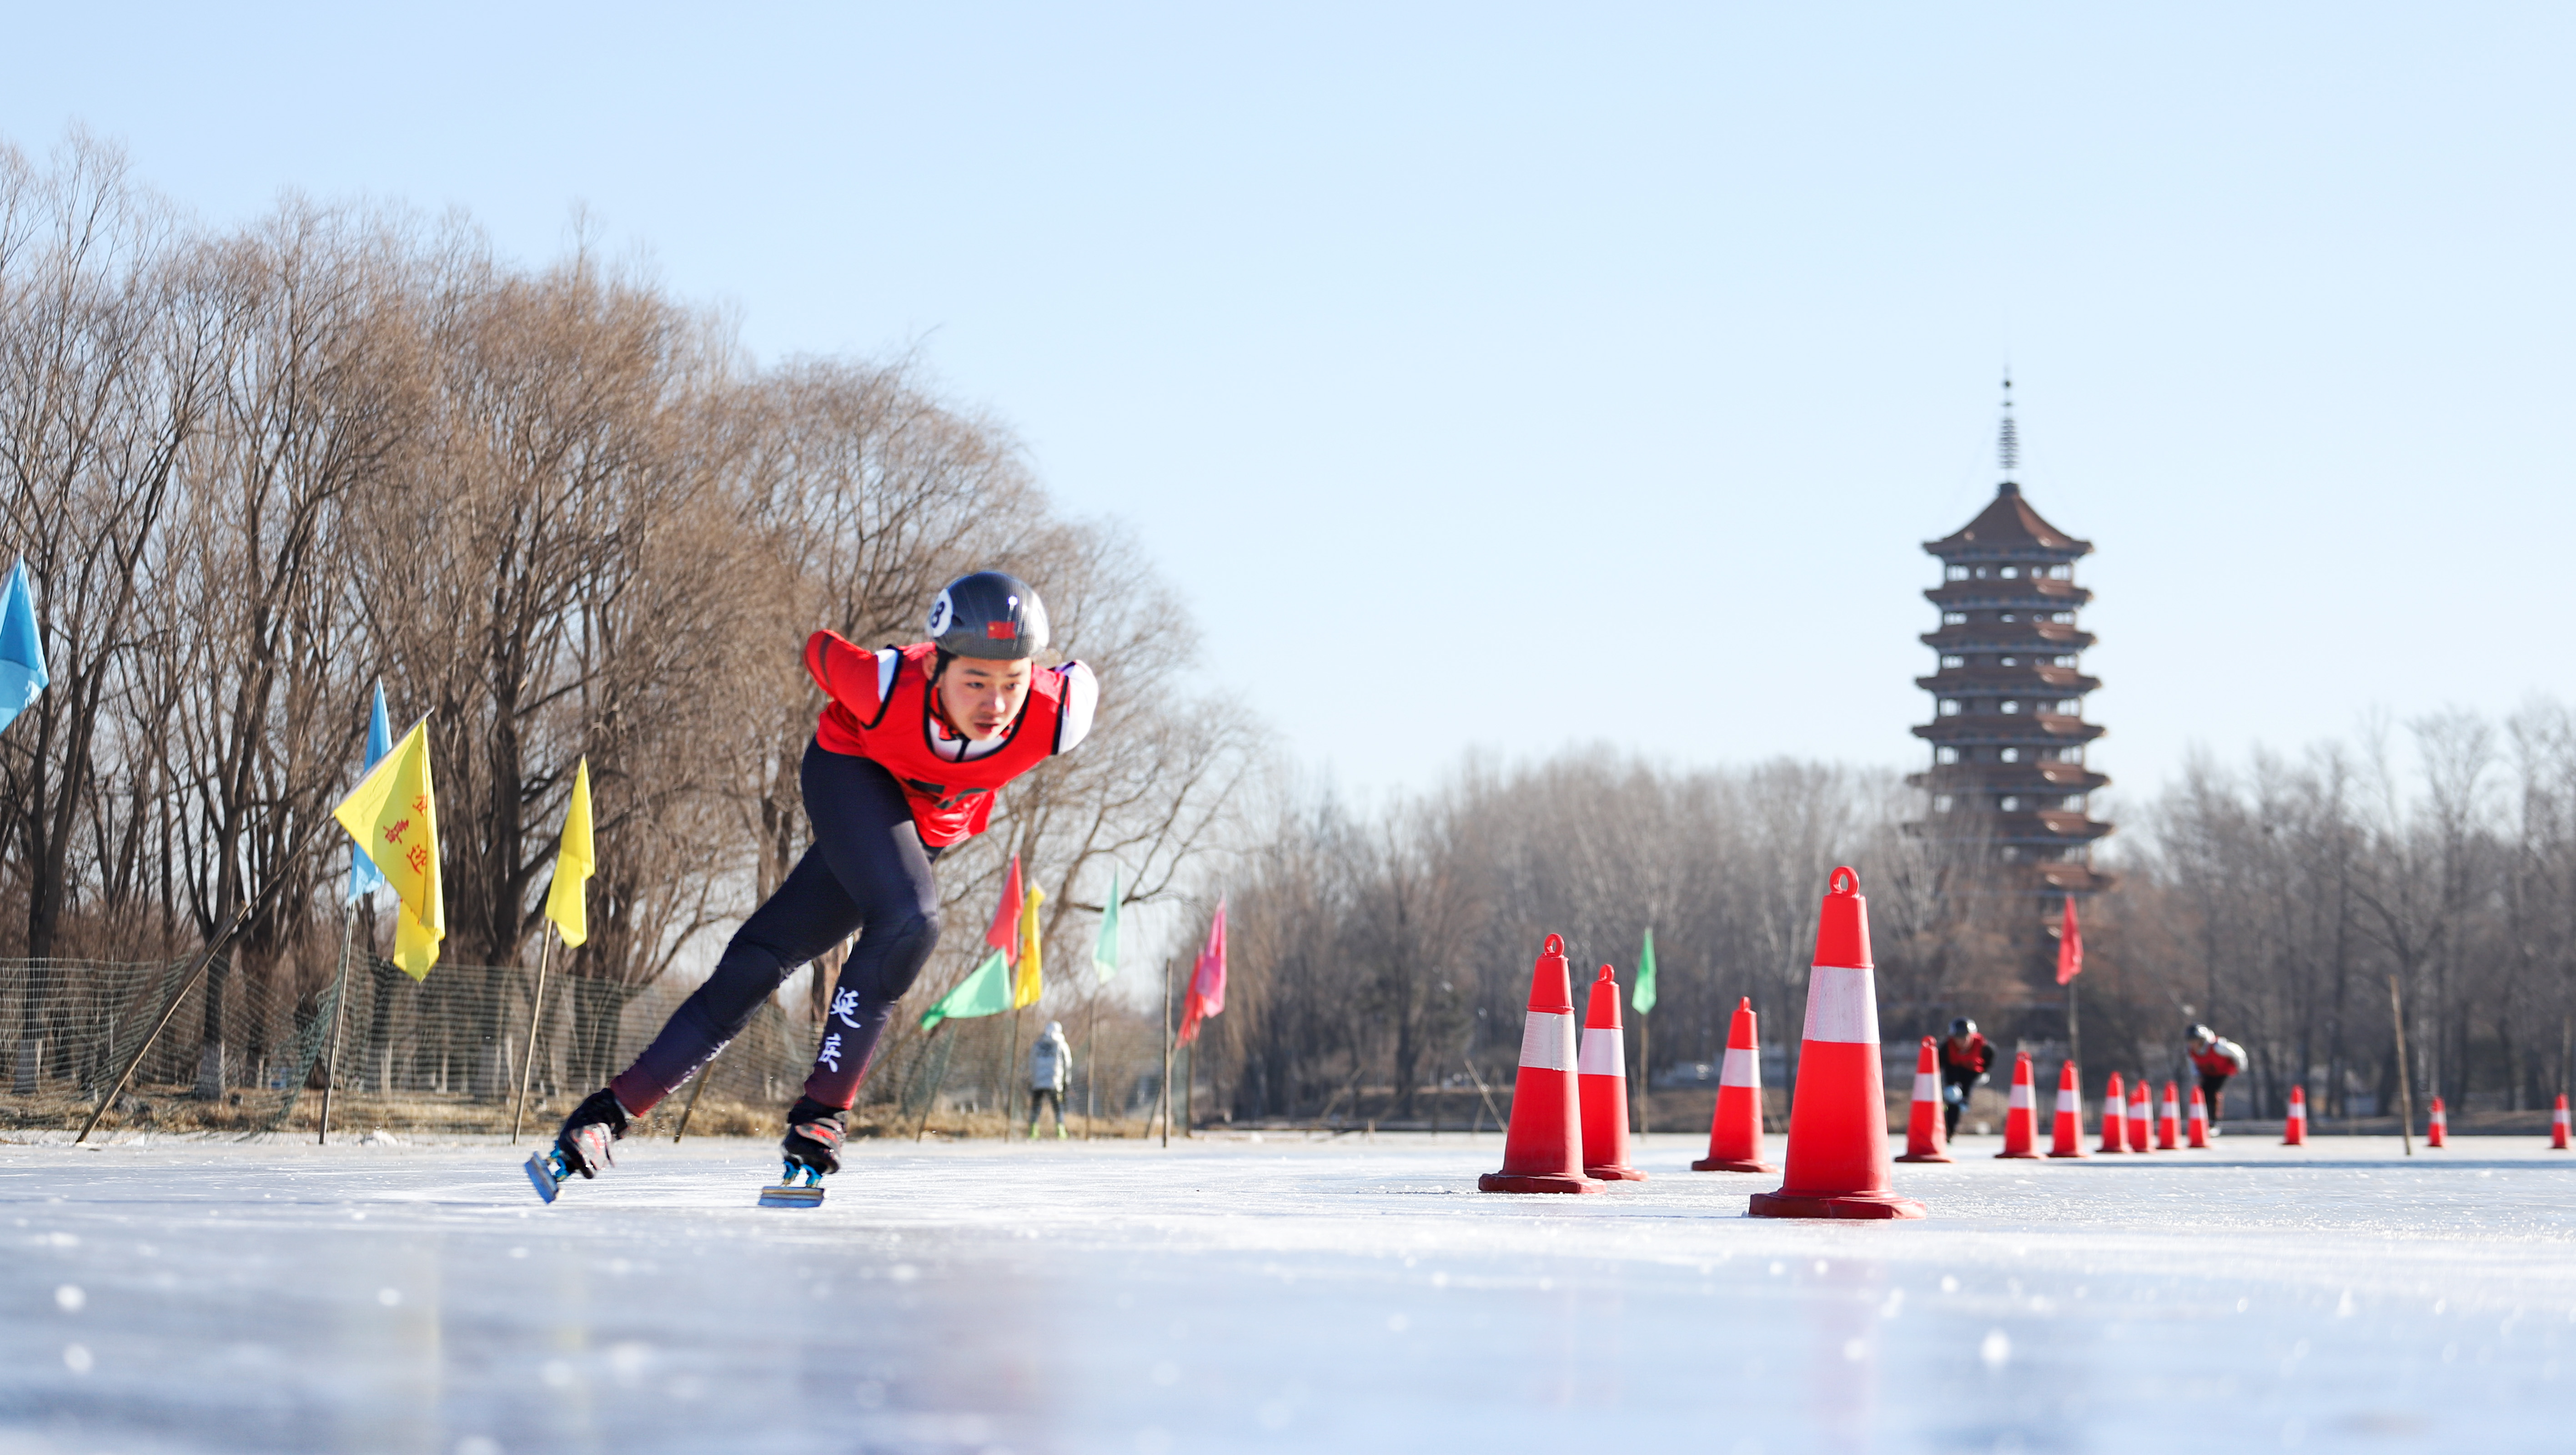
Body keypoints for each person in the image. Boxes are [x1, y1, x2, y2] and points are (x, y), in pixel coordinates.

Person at [540, 571, 1097, 1191]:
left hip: (919, 828)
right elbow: (820, 649)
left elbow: (1081, 677)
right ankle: (823, 1115)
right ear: (936, 666)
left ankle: (603, 1115)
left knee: (761, 960)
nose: (994, 704)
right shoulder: (885, 685)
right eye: (974, 681)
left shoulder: (1059, 715)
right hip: (852, 775)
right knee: (912, 917)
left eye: (1012, 683)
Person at [1938, 1017, 1994, 1140]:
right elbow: (1939, 1063)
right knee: (1952, 1099)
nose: (1962, 1041)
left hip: (1970, 1072)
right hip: (1952, 1070)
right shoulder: (1946, 1048)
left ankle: (1964, 1101)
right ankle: (1948, 1130)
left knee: (1962, 1101)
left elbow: (1990, 1057)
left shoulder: (1984, 1047)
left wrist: (1984, 1072)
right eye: (1958, 1037)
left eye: (1965, 1037)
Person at [2187, 1024, 2249, 1128]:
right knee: (2202, 1093)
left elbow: (2238, 1053)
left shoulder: (2218, 1047)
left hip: (2222, 1072)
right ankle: (2204, 1121)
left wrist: (2240, 1067)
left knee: (2213, 1093)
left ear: (2202, 1039)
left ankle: (2214, 1122)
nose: (2193, 1044)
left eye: (2195, 1041)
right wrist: (2197, 1075)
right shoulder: (2192, 1051)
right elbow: (2193, 1064)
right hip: (2208, 1073)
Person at [1028, 1019, 1072, 1140]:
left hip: (1038, 1082)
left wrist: (1033, 1078)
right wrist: (1066, 1081)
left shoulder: (1037, 1045)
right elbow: (1067, 1064)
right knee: (1058, 1107)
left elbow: (1032, 1062)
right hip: (1055, 1082)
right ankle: (1061, 1132)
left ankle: (1033, 1131)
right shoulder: (1061, 1045)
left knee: (1036, 1106)